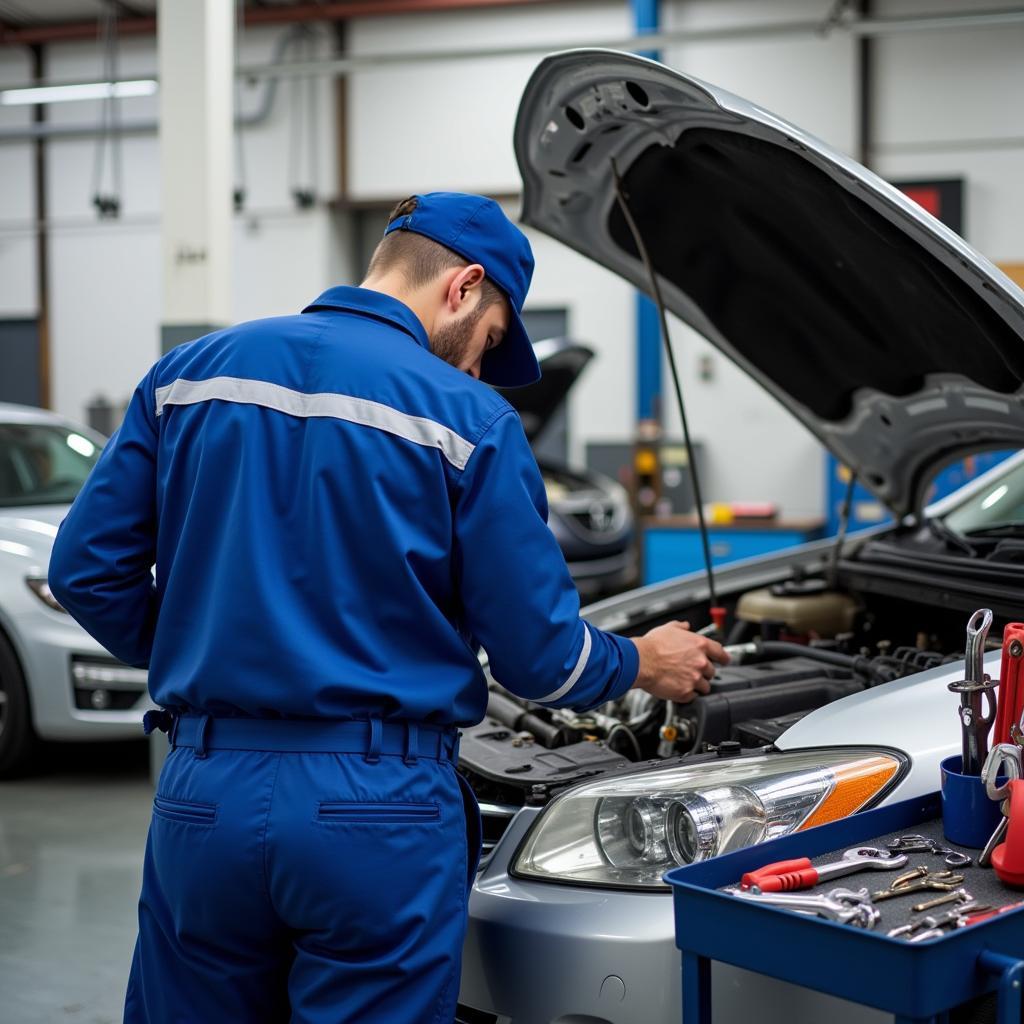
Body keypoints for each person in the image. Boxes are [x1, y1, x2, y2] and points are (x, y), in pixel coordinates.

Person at [48, 192, 729, 1024]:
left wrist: (206, 646)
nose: (477, 368)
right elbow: (540, 658)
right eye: (487, 344)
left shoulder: (189, 376)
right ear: (465, 286)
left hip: (204, 798)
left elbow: (86, 571)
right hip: (377, 812)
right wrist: (641, 662)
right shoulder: (470, 421)